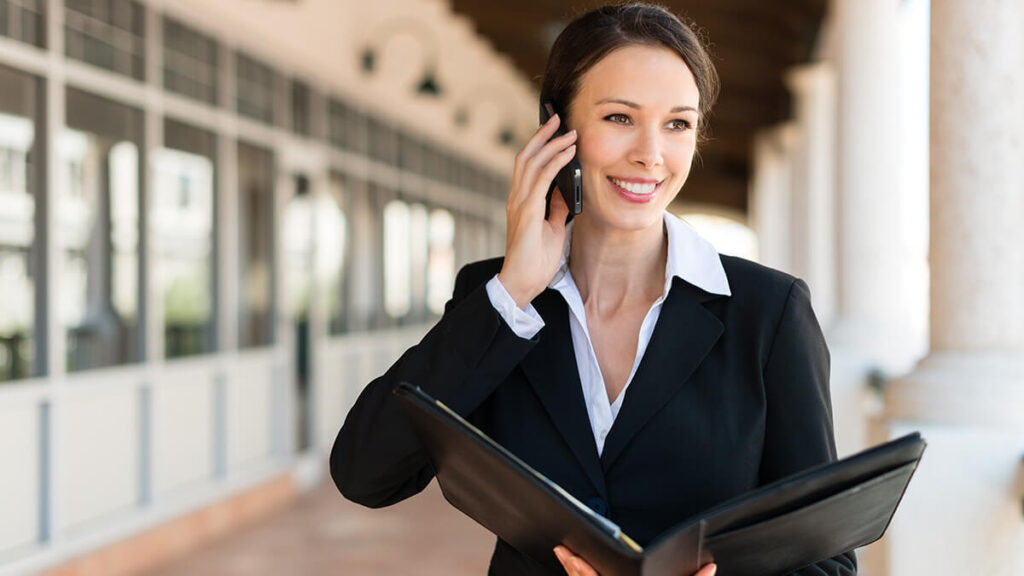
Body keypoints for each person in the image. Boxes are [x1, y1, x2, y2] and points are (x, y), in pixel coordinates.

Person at [331, 4, 857, 575]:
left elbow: (827, 560)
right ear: (556, 128)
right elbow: (366, 474)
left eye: (677, 123)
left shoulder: (769, 313)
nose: (651, 154)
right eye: (620, 118)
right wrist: (511, 293)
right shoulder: (496, 301)